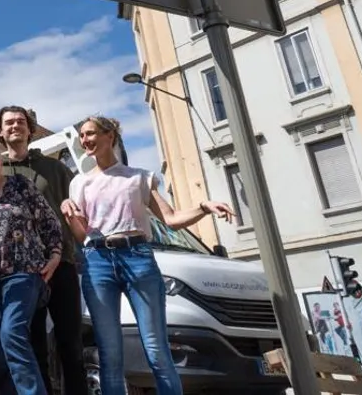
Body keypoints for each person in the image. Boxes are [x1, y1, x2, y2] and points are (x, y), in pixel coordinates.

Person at [61, 116, 234, 395]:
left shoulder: (139, 177)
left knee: (156, 348)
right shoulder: (79, 183)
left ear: (110, 136)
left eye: (91, 134)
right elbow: (82, 236)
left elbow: (172, 219)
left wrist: (203, 206)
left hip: (137, 257)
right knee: (109, 352)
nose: (85, 140)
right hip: (98, 261)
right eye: (82, 136)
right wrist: (69, 215)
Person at [0, 105, 86, 395]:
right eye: (9, 123)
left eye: (21, 122)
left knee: (70, 341)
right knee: (33, 343)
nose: (15, 127)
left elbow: (79, 209)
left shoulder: (55, 168)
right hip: (21, 271)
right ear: (0, 131)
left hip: (62, 264)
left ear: (30, 130)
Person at [0, 138, 63, 395]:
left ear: (1, 158)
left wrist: (55, 255)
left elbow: (50, 223)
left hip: (22, 273)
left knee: (12, 334)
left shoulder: (21, 185)